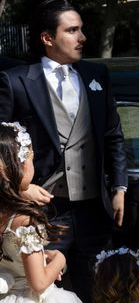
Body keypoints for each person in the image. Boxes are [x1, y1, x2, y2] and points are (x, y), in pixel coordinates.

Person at [0, 0, 128, 303]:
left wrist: (119, 186)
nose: (82, 37)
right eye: (72, 30)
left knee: (100, 291)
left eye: (81, 29)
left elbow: (113, 134)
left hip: (94, 208)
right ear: (48, 38)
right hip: (42, 210)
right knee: (41, 290)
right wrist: (23, 187)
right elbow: (1, 145)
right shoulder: (16, 81)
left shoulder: (97, 75)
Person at [0, 121, 81, 302]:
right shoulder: (25, 220)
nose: (32, 163)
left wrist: (43, 256)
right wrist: (60, 258)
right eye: (30, 157)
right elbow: (38, 282)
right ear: (18, 166)